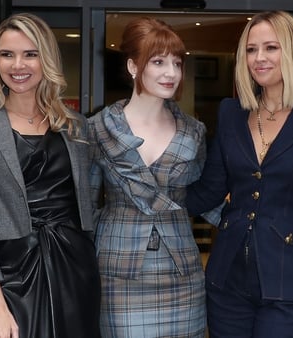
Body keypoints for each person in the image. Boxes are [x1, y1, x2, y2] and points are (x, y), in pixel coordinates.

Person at [185, 11, 293, 337]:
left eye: (271, 48)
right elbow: (210, 190)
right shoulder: (231, 113)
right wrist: (149, 194)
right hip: (226, 279)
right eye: (250, 49)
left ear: (292, 51)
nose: (258, 58)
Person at [0, 13, 100, 338]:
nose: (18, 65)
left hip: (74, 267)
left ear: (47, 59)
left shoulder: (74, 126)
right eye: (7, 54)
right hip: (10, 273)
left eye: (30, 54)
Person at [87, 17, 207, 337]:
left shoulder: (195, 132)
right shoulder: (97, 128)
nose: (171, 72)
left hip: (182, 273)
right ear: (133, 66)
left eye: (177, 63)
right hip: (118, 271)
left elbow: (204, 198)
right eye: (158, 62)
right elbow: (84, 207)